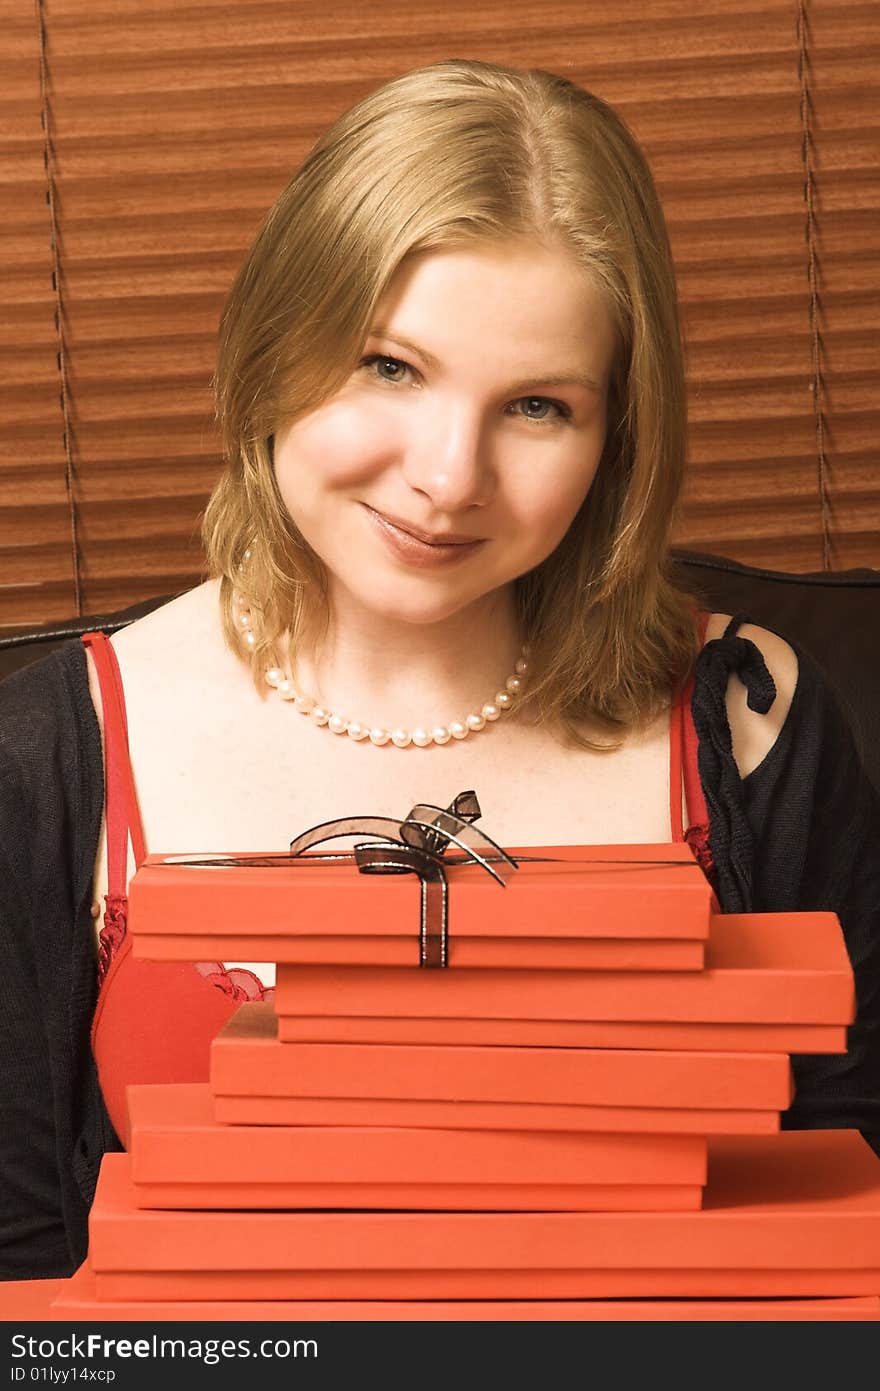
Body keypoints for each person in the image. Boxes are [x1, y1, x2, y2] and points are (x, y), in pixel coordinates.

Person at [1, 57, 877, 1284]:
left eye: (536, 405)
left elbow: (844, 1198)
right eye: (389, 367)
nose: (449, 476)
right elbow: (24, 1265)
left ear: (614, 435)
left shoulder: (750, 720)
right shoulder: (52, 752)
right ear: (274, 345)